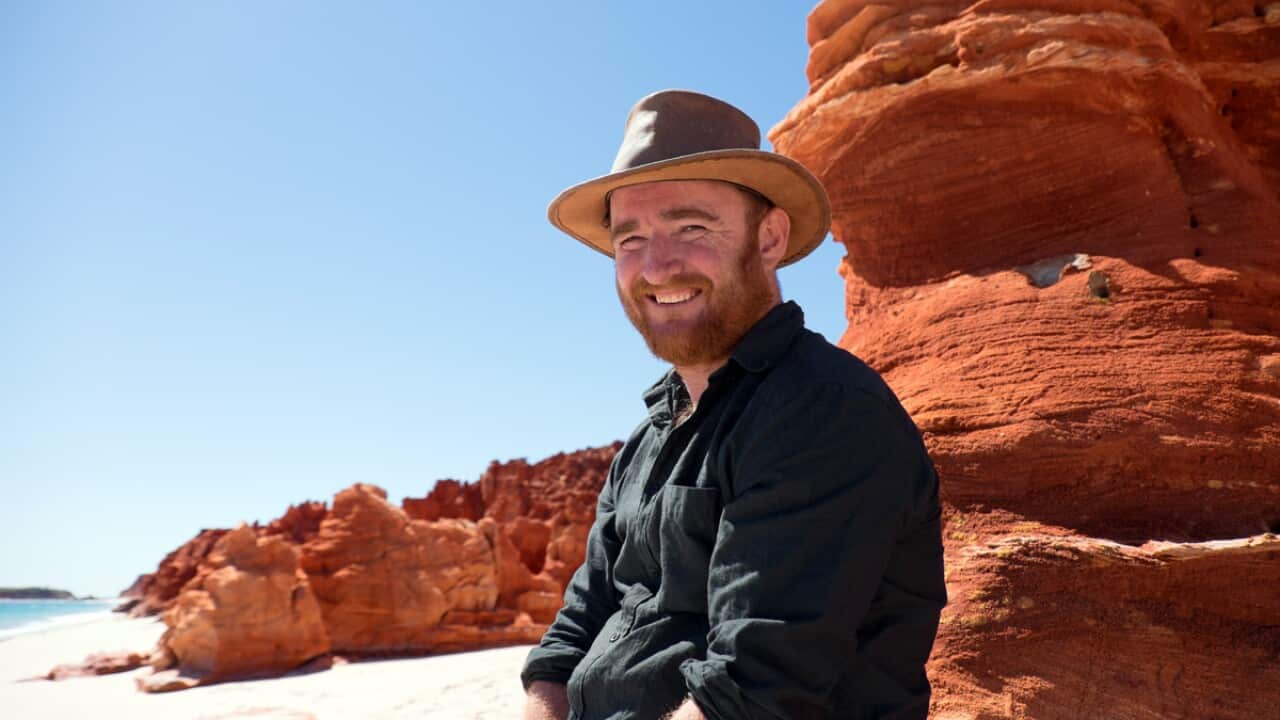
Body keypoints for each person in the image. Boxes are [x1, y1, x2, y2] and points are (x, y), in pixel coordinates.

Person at [520, 90, 946, 720]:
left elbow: (753, 691)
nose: (657, 267)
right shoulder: (650, 437)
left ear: (769, 237)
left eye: (691, 227)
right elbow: (571, 639)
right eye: (629, 239)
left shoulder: (820, 411)